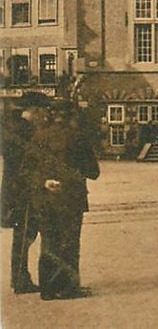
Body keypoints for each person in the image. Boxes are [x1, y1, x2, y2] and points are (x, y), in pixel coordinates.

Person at [26, 100, 99, 300]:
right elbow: (94, 172)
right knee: (69, 243)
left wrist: (45, 181)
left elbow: (26, 169)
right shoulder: (79, 138)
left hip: (45, 198)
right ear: (71, 115)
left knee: (48, 241)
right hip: (71, 198)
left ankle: (47, 290)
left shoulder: (38, 136)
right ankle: (68, 288)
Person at [3, 91, 50, 294]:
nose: (45, 116)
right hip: (23, 191)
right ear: (35, 110)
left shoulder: (13, 128)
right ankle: (20, 280)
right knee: (25, 235)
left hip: (15, 189)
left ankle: (19, 278)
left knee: (23, 235)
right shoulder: (26, 131)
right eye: (43, 111)